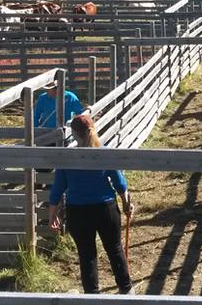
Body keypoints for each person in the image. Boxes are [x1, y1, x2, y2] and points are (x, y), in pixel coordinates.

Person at [48, 114, 133, 294]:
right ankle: (126, 290)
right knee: (115, 249)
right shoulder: (104, 152)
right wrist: (126, 204)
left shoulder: (67, 158)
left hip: (78, 212)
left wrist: (52, 214)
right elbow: (120, 183)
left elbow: (58, 189)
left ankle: (92, 295)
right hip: (105, 209)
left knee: (87, 255)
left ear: (74, 133)